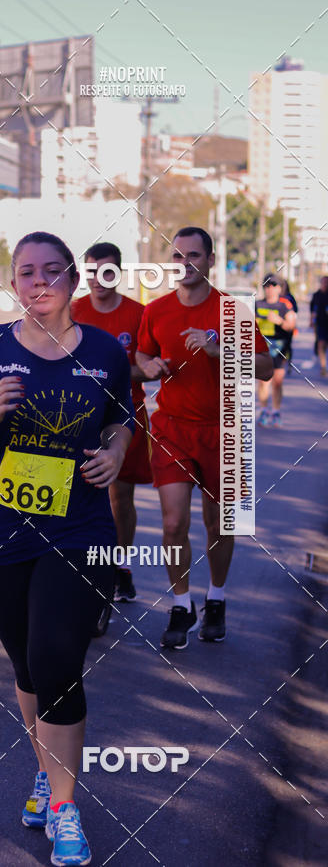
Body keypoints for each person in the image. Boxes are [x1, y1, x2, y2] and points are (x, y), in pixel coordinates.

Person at [0, 231, 134, 867]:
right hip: (1, 529)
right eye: (26, 272)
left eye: (52, 270)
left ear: (74, 279)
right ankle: (48, 774)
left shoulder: (105, 351)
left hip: (79, 530)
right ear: (15, 282)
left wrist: (113, 455)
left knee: (56, 661)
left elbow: (121, 419)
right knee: (27, 668)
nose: (39, 281)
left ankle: (64, 807)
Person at [136, 226, 272, 650]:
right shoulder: (156, 309)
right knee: (174, 522)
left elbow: (267, 367)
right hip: (173, 427)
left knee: (218, 522)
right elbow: (140, 356)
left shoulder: (232, 310)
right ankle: (181, 604)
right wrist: (150, 365)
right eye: (178, 256)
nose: (185, 263)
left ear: (211, 260)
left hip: (227, 429)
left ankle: (216, 597)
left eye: (194, 255)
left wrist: (221, 352)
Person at [71, 241, 152, 602]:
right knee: (76, 493)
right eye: (91, 271)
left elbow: (149, 367)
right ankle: (76, 563)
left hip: (124, 415)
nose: (98, 279)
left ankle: (121, 565)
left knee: (120, 496)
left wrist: (110, 370)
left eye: (106, 271)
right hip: (77, 414)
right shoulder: (73, 310)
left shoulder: (139, 313)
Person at [255, 274, 296, 428]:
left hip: (279, 347)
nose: (269, 289)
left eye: (273, 285)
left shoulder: (284, 305)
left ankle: (276, 412)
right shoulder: (257, 304)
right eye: (266, 286)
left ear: (279, 288)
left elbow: (291, 325)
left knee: (277, 382)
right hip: (262, 347)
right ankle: (264, 410)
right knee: (264, 381)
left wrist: (279, 321)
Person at [278, 277, 298, 373]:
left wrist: (292, 323)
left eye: (283, 286)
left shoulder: (290, 297)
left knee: (288, 345)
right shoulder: (276, 297)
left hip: (289, 325)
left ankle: (289, 363)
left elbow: (295, 311)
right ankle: (281, 363)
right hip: (277, 326)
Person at [310, 275, 328, 377]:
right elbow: (312, 309)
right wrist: (311, 321)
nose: (325, 284)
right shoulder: (316, 295)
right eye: (324, 282)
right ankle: (323, 366)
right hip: (320, 323)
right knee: (321, 344)